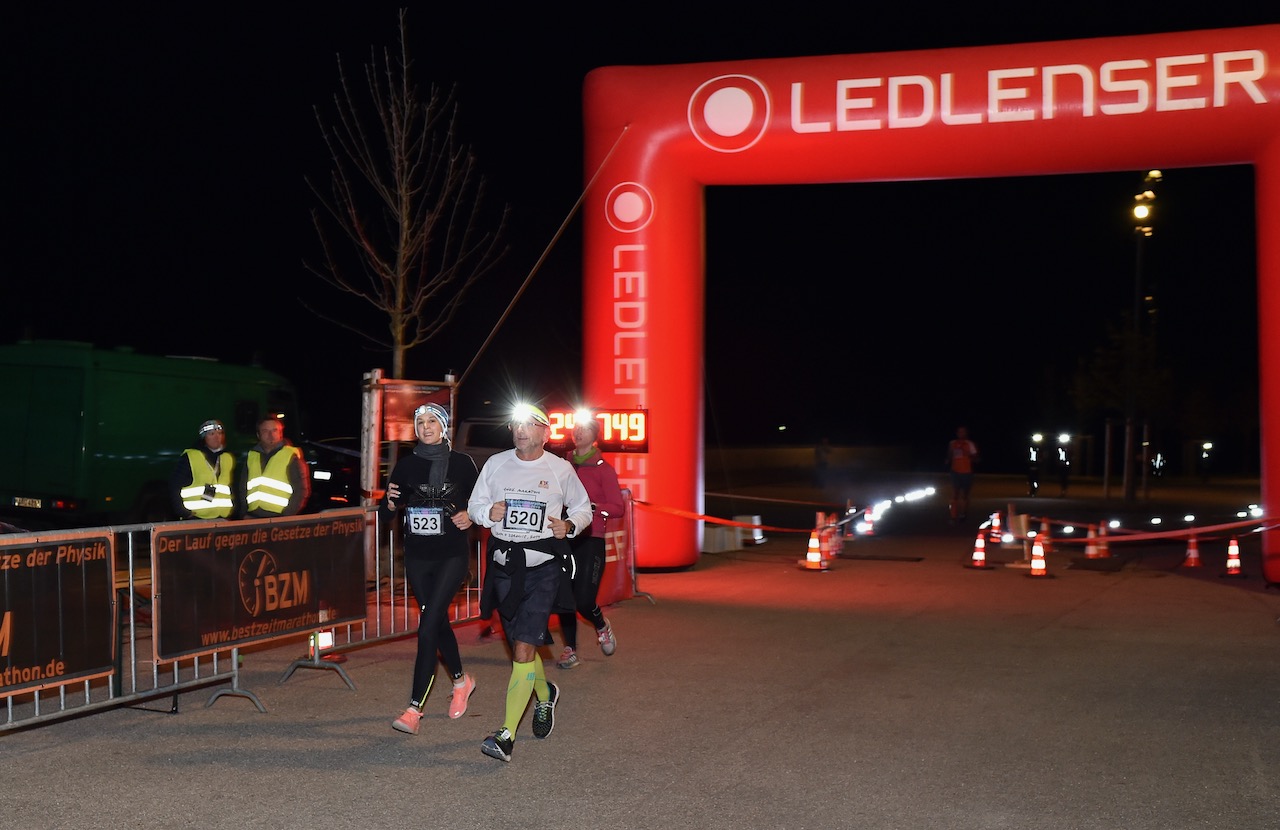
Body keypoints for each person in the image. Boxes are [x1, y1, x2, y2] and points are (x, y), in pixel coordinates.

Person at [469, 403, 592, 762]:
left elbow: (583, 508)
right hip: (505, 566)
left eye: (529, 424)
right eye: (516, 424)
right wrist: (485, 513)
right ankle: (545, 692)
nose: (520, 429)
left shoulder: (560, 469)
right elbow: (475, 505)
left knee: (523, 646)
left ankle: (506, 735)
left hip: (543, 568)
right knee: (520, 643)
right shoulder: (495, 464)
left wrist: (568, 526)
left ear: (545, 432)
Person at [381, 402, 479, 735]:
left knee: (426, 627)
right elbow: (387, 512)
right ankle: (461, 681)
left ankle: (413, 709)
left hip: (451, 554)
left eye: (432, 421)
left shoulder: (463, 464)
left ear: (443, 426)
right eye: (420, 421)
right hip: (418, 556)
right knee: (437, 624)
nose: (425, 426)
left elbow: (479, 505)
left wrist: (471, 516)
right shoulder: (406, 465)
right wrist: (390, 503)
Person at [554, 413, 624, 670]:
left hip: (591, 538)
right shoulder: (562, 465)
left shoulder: (603, 469)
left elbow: (618, 508)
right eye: (576, 428)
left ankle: (601, 625)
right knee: (564, 597)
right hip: (564, 535)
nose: (578, 432)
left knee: (583, 600)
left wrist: (593, 507)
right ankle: (569, 649)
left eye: (585, 429)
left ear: (595, 436)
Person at [241, 416, 310, 518]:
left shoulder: (291, 456)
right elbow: (243, 487)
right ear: (258, 435)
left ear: (280, 433)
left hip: (279, 520)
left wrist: (286, 516)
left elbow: (301, 490)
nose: (271, 435)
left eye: (275, 430)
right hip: (254, 518)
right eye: (265, 431)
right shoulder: (252, 456)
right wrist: (244, 513)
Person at [170, 419, 236, 520]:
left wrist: (234, 510)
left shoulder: (227, 457)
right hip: (196, 518)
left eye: (220, 433)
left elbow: (231, 487)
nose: (217, 437)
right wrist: (183, 512)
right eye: (211, 434)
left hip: (222, 518)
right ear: (204, 437)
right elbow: (175, 485)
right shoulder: (190, 456)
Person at [945, 426, 979, 522]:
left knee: (965, 495)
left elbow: (976, 458)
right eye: (959, 432)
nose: (961, 434)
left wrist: (968, 454)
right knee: (955, 494)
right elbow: (949, 455)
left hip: (967, 472)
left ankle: (963, 514)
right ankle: (953, 516)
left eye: (963, 432)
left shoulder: (970, 444)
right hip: (955, 471)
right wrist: (948, 461)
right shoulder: (952, 443)